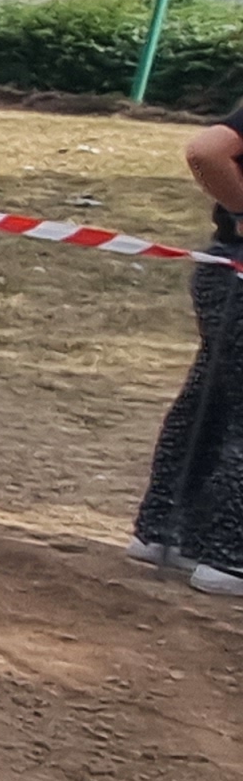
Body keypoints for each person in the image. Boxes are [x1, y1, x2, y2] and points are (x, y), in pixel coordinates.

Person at [136, 100, 243, 597]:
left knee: (211, 402)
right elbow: (206, 150)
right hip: (234, 271)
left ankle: (165, 532)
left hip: (225, 270)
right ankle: (229, 555)